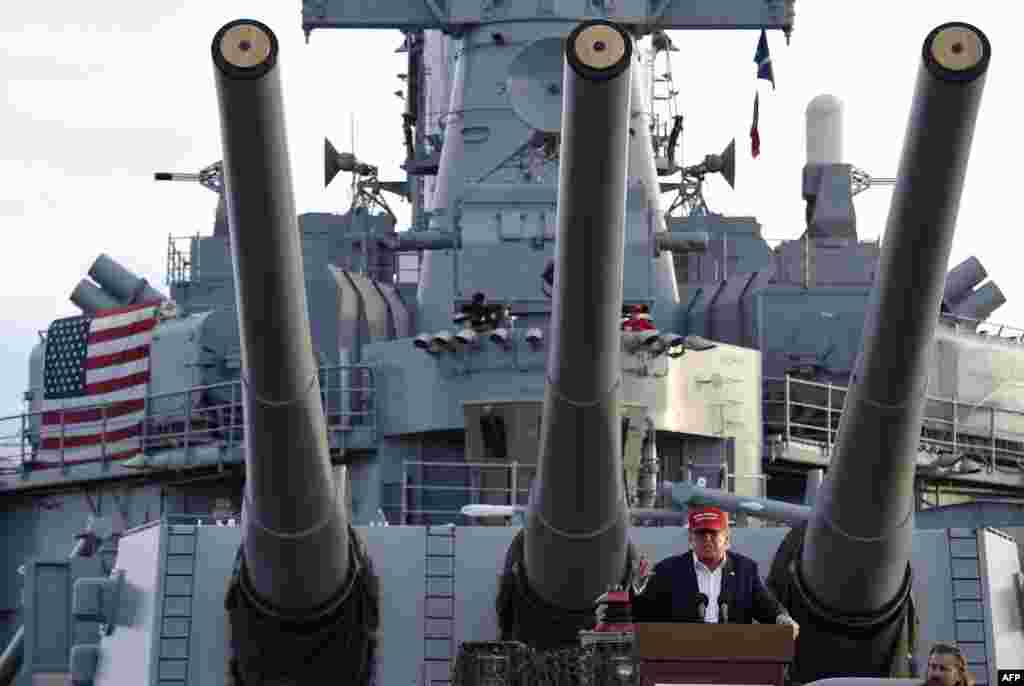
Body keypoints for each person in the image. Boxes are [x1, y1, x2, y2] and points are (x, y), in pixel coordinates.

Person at [631, 506, 799, 640]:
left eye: (713, 533)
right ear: (690, 539)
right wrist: (637, 589)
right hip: (681, 657)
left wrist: (782, 618)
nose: (707, 539)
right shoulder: (667, 570)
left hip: (735, 658)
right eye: (701, 534)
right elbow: (643, 614)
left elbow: (766, 606)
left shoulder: (745, 570)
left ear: (727, 539)